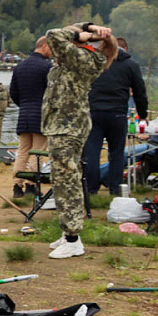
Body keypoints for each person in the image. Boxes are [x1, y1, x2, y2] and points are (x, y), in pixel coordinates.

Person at [41, 23, 118, 259]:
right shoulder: (75, 58)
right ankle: (67, 234)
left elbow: (52, 33)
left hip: (68, 126)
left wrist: (81, 33)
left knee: (67, 180)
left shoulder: (84, 58)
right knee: (61, 178)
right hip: (62, 125)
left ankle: (73, 238)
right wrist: (87, 27)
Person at [84, 37, 148, 196]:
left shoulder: (92, 63)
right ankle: (115, 188)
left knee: (92, 152)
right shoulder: (130, 65)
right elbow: (140, 91)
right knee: (117, 153)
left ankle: (91, 189)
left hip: (94, 112)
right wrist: (143, 113)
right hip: (118, 113)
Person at [7, 39, 52, 197]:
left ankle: (17, 186)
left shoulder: (20, 67)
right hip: (41, 115)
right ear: (44, 46)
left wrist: (24, 105)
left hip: (24, 114)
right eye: (51, 48)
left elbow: (13, 92)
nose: (52, 52)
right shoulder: (47, 67)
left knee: (23, 151)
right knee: (38, 152)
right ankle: (32, 185)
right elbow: (52, 93)